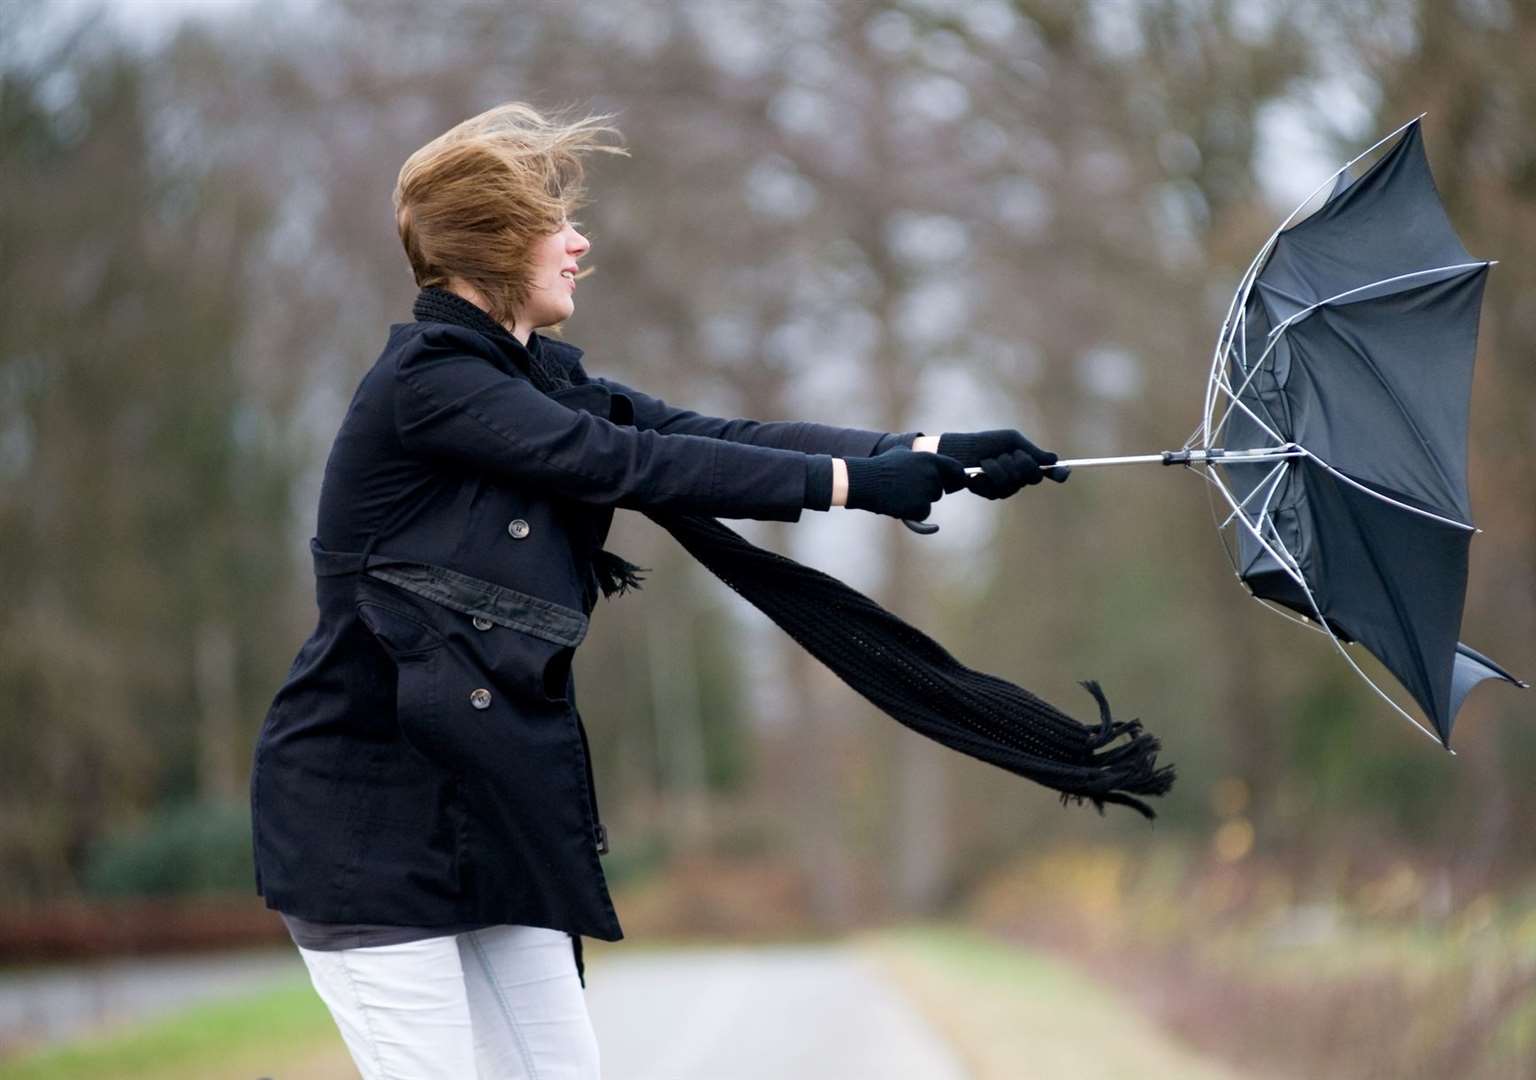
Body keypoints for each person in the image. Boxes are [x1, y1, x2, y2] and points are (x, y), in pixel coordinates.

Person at [249, 101, 1067, 1079]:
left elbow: (703, 436)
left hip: (490, 809)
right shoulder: (429, 384)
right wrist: (853, 486)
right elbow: (622, 462)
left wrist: (922, 454)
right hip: (368, 824)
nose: (579, 243)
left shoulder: (530, 377)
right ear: (497, 245)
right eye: (557, 224)